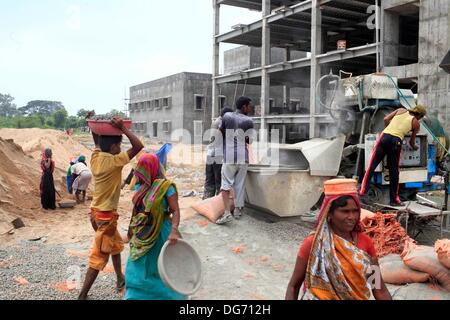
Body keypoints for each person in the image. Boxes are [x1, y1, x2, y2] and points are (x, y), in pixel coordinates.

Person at [285, 179, 392, 300]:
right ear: (329, 213)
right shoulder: (313, 243)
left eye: (355, 211)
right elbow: (293, 286)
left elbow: (378, 288)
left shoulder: (365, 242)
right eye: (345, 211)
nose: (351, 217)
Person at [78, 115, 144, 300]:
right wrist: (122, 128)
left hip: (95, 214)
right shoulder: (115, 161)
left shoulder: (96, 157)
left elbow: (97, 143)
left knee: (115, 245)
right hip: (106, 217)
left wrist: (94, 127)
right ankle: (82, 295)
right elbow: (139, 146)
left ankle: (120, 279)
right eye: (120, 145)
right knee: (99, 255)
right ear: (114, 148)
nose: (121, 148)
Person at [124, 153, 184, 300]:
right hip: (142, 232)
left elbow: (175, 210)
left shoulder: (166, 187)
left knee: (161, 267)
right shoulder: (140, 186)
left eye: (144, 169)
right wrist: (130, 232)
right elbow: (136, 210)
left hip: (161, 233)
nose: (141, 173)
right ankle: (136, 295)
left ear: (153, 168)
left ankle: (168, 296)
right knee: (137, 263)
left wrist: (174, 230)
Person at [359, 105, 427, 206]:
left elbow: (385, 119)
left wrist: (389, 129)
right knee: (394, 172)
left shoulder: (401, 110)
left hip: (384, 137)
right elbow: (412, 143)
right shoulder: (416, 123)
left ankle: (362, 192)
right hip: (396, 142)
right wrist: (415, 147)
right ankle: (394, 200)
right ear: (420, 115)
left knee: (371, 166)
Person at [215, 97, 255, 225]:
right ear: (244, 107)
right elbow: (250, 141)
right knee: (240, 184)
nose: (251, 108)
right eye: (249, 106)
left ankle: (227, 213)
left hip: (230, 156)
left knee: (225, 184)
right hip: (243, 157)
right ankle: (237, 211)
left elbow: (219, 133)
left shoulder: (227, 116)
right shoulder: (249, 121)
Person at [203, 107, 233, 199]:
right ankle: (218, 203)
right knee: (219, 181)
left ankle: (207, 200)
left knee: (209, 179)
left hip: (210, 154)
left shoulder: (215, 122)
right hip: (218, 156)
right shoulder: (221, 123)